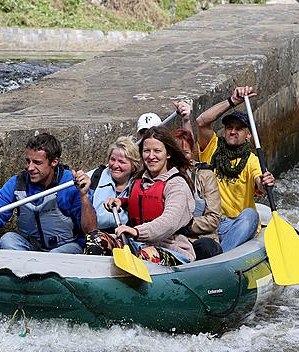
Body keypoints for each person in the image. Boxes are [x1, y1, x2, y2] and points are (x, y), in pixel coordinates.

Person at [0, 132, 96, 253]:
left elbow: (90, 231)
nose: (30, 168)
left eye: (37, 163)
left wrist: (83, 196)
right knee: (7, 239)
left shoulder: (70, 185)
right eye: (28, 161)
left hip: (65, 248)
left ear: (54, 162)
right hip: (31, 249)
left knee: (61, 253)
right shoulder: (16, 184)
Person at [196, 86, 275, 252]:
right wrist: (232, 101)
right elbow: (202, 121)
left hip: (236, 224)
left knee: (251, 216)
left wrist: (264, 182)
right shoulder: (213, 147)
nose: (233, 132)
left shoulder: (252, 161)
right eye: (229, 127)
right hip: (210, 221)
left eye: (239, 129)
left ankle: (220, 256)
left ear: (248, 135)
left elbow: (258, 180)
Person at [104, 126, 196, 265]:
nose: (151, 156)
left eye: (157, 151)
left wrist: (137, 232)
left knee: (146, 255)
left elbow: (169, 221)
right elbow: (144, 203)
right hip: (138, 244)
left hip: (172, 249)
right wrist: (122, 202)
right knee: (97, 240)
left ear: (168, 154)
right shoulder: (139, 180)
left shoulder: (177, 185)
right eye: (147, 151)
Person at [83, 137, 142, 255]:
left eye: (122, 162)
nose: (115, 165)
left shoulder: (141, 185)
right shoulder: (93, 178)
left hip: (129, 242)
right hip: (97, 241)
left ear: (133, 165)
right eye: (112, 160)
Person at [172, 128, 222, 260]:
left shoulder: (204, 175)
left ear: (192, 153)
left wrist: (186, 226)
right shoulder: (164, 175)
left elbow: (214, 218)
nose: (181, 157)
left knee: (204, 247)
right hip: (172, 238)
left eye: (186, 153)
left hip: (200, 238)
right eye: (177, 153)